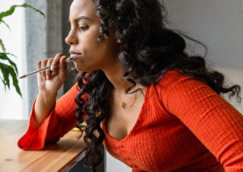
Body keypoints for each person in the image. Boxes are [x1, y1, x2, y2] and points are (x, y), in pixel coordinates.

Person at [18, 0, 243, 171]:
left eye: (83, 27)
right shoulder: (96, 84)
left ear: (120, 30)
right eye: (71, 27)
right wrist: (47, 96)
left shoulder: (173, 86)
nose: (69, 39)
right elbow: (40, 139)